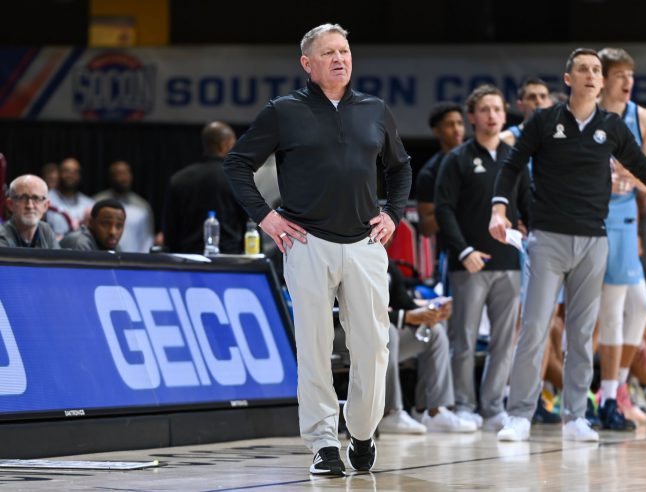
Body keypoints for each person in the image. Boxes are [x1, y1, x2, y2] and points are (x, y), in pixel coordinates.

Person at [223, 24, 412, 475]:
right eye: (328, 52)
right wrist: (267, 217)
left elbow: (400, 168)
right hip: (307, 242)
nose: (339, 58)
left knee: (374, 347)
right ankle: (324, 443)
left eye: (344, 50)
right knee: (314, 347)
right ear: (307, 64)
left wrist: (394, 214)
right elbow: (236, 164)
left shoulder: (374, 110)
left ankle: (363, 432)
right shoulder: (283, 111)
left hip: (366, 243)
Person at [488, 48, 646, 443]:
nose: (590, 75)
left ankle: (575, 417)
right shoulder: (543, 121)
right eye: (582, 69)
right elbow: (512, 164)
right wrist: (499, 209)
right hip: (546, 239)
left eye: (596, 70)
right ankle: (518, 414)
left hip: (594, 239)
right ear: (568, 79)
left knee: (582, 332)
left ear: (601, 82)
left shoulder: (613, 126)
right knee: (534, 327)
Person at [435, 85, 530, 432]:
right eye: (485, 109)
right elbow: (444, 211)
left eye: (497, 110)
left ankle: (492, 408)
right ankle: (463, 405)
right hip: (469, 264)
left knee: (504, 342)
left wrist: (532, 236)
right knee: (464, 340)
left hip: (509, 264)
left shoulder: (514, 158)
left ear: (505, 115)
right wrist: (464, 251)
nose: (491, 115)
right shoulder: (456, 159)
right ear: (472, 116)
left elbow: (527, 206)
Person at [595, 47, 646, 429]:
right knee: (612, 308)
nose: (628, 83)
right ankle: (608, 393)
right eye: (620, 75)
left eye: (631, 76)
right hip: (592, 215)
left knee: (636, 306)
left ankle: (615, 388)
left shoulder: (644, 117)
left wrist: (625, 175)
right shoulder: (591, 117)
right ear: (603, 79)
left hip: (625, 213)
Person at [379, 257, 476, 434]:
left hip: (380, 341)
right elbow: (354, 312)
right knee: (388, 332)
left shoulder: (387, 263)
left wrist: (432, 310)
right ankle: (388, 413)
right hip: (346, 336)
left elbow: (406, 305)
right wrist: (404, 317)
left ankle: (433, 411)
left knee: (434, 331)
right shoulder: (350, 257)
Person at [163, 121, 249, 254]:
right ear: (224, 145)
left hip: (187, 261)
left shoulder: (178, 179)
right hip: (229, 263)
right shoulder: (238, 179)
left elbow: (170, 231)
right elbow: (250, 226)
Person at [416, 102, 465, 239]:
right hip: (451, 249)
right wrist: (454, 204)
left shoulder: (478, 159)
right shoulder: (429, 173)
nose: (457, 129)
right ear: (437, 131)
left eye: (460, 123)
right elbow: (426, 227)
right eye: (450, 124)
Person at [94, 161, 154, 252]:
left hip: (134, 259)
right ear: (111, 177)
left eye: (126, 173)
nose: (123, 177)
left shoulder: (142, 206)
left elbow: (147, 238)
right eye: (119, 173)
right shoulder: (97, 201)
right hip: (102, 258)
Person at [0, 174, 59, 248]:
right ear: (10, 204)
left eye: (36, 198)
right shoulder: (2, 237)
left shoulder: (45, 230)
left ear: (45, 206)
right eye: (23, 198)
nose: (30, 206)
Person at [47, 158, 94, 236]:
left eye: (75, 172)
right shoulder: (46, 199)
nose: (71, 175)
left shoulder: (89, 203)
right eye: (66, 171)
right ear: (58, 174)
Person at [500, 77, 552, 147]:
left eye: (543, 96)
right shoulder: (505, 140)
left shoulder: (561, 138)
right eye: (532, 97)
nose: (539, 102)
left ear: (551, 103)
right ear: (520, 105)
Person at [60, 199, 126, 251]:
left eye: (119, 226)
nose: (112, 232)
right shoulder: (80, 243)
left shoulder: (114, 246)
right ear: (91, 222)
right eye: (106, 224)